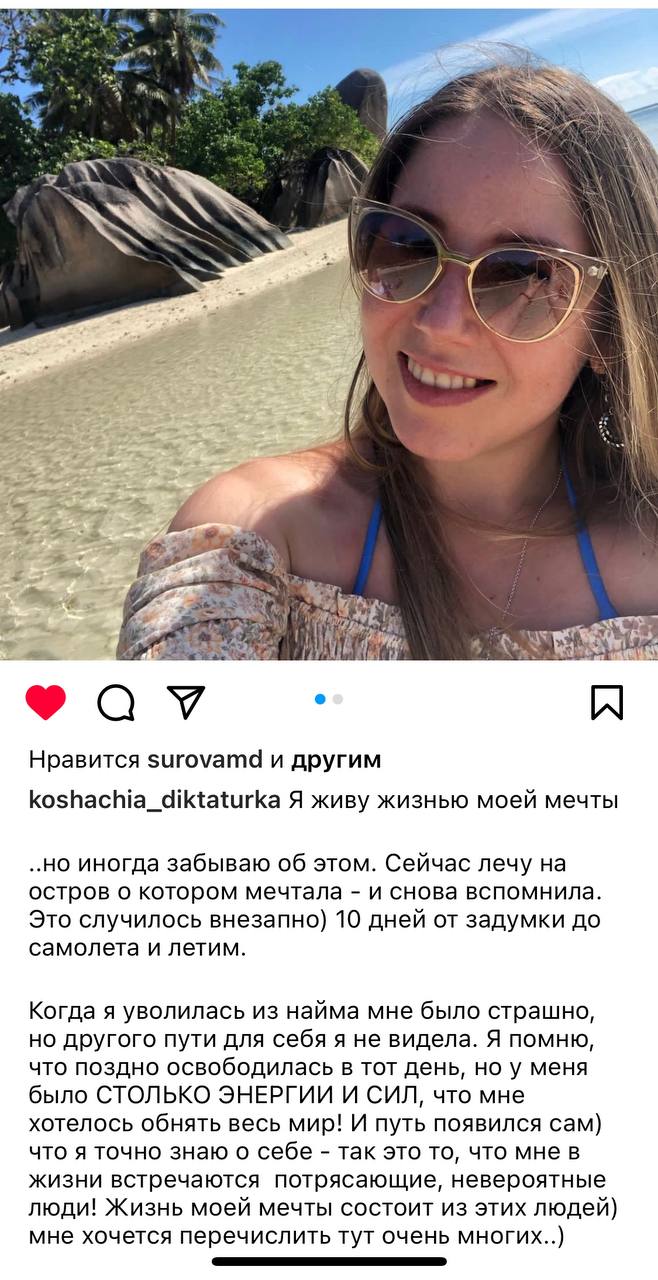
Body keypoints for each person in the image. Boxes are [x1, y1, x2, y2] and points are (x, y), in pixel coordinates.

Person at [117, 52, 658, 661]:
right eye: (406, 246)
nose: (440, 323)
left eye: (522, 275)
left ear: (610, 332)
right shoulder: (254, 533)